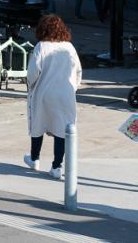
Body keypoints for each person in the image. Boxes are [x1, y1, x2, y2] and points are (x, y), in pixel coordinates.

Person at [24, 15, 82, 179]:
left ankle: (34, 158)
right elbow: (78, 71)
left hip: (44, 93)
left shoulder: (41, 46)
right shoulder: (69, 47)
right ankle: (57, 166)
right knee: (62, 129)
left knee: (38, 124)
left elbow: (33, 72)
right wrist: (72, 88)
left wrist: (31, 86)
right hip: (66, 93)